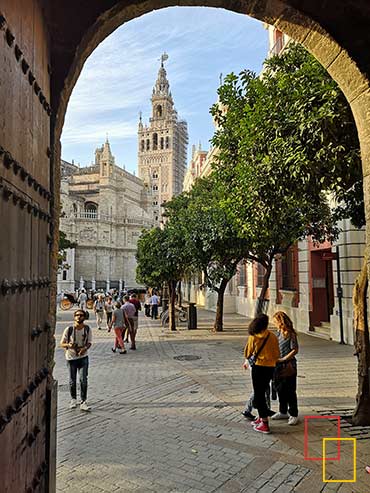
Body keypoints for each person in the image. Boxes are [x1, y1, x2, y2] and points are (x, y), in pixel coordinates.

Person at [243, 313, 280, 434]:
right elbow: (277, 354)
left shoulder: (254, 337)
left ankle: (264, 423)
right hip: (270, 368)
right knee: (263, 391)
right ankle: (261, 417)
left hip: (258, 367)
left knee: (259, 395)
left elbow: (247, 353)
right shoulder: (272, 336)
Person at [60, 309, 92, 411]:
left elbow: (89, 342)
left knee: (83, 379)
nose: (79, 317)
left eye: (81, 315)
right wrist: (68, 345)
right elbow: (62, 343)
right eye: (77, 315)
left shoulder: (87, 329)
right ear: (74, 317)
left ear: (84, 317)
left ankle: (83, 401)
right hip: (71, 357)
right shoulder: (69, 329)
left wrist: (84, 348)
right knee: (72, 380)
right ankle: (73, 399)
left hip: (83, 357)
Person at [271, 311, 299, 425]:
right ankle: (283, 411)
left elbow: (295, 349)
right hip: (277, 365)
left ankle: (293, 413)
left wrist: (284, 359)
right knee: (280, 389)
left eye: (276, 322)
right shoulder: (278, 333)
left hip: (288, 365)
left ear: (281, 321)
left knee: (290, 390)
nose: (274, 324)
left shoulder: (291, 334)